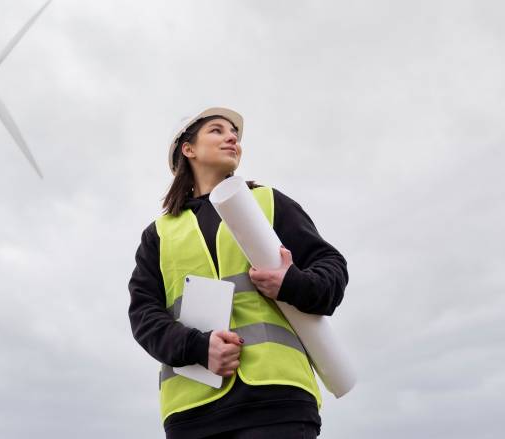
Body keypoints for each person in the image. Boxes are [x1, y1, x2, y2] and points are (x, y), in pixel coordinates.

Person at [128, 107, 348, 439]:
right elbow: (144, 316)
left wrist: (292, 283)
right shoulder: (159, 234)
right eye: (217, 131)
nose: (232, 137)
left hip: (277, 401)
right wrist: (198, 347)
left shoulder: (269, 203)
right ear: (188, 149)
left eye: (234, 133)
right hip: (192, 414)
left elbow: (332, 270)